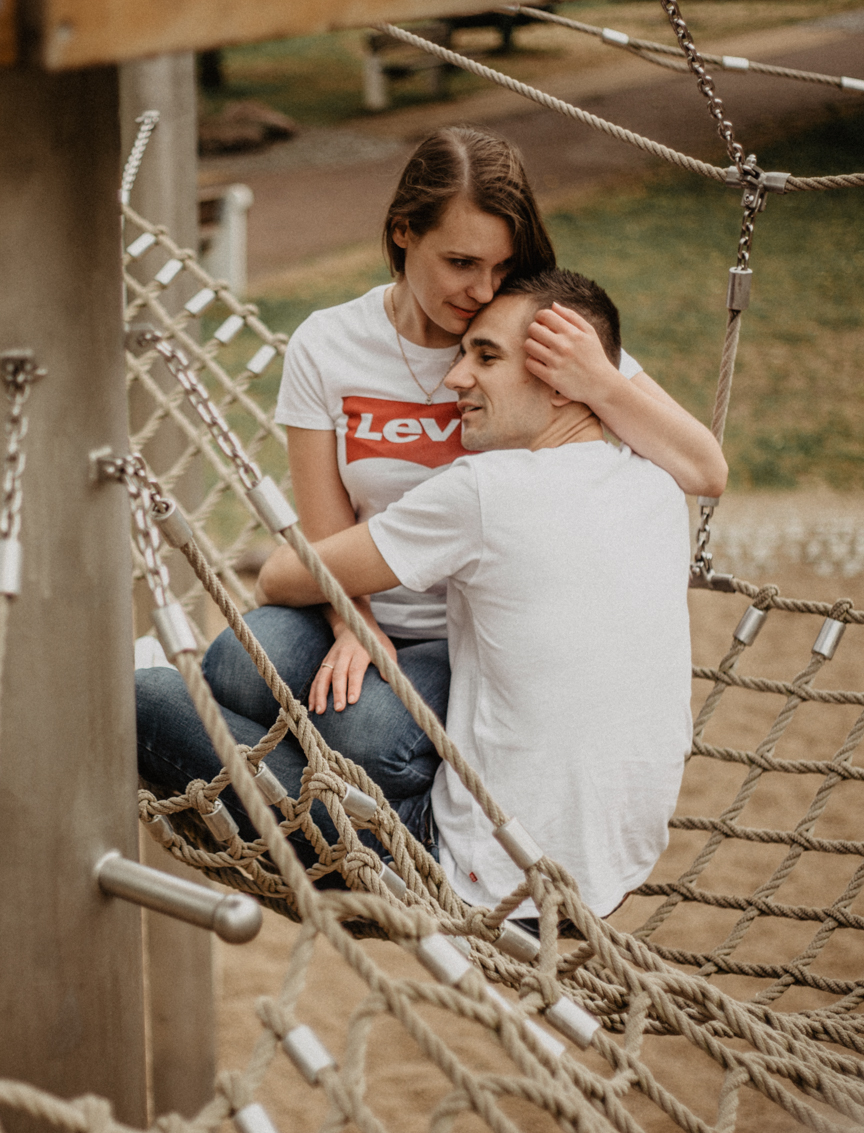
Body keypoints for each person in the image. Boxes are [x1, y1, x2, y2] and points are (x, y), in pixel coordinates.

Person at [154, 124, 721, 839]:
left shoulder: (527, 333)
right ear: (403, 234)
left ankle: (387, 808)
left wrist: (601, 380)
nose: (482, 290)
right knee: (237, 664)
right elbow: (325, 539)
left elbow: (704, 469)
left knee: (365, 729)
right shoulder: (327, 345)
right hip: (358, 601)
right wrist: (353, 626)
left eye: (502, 265)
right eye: (460, 262)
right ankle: (327, 787)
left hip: (478, 638)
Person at [250, 270, 691, 917]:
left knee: (160, 694)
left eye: (485, 357)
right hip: (615, 863)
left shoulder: (486, 490)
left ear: (564, 380)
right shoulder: (660, 483)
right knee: (263, 665)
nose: (455, 378)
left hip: (478, 869)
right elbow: (708, 465)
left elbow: (281, 576)